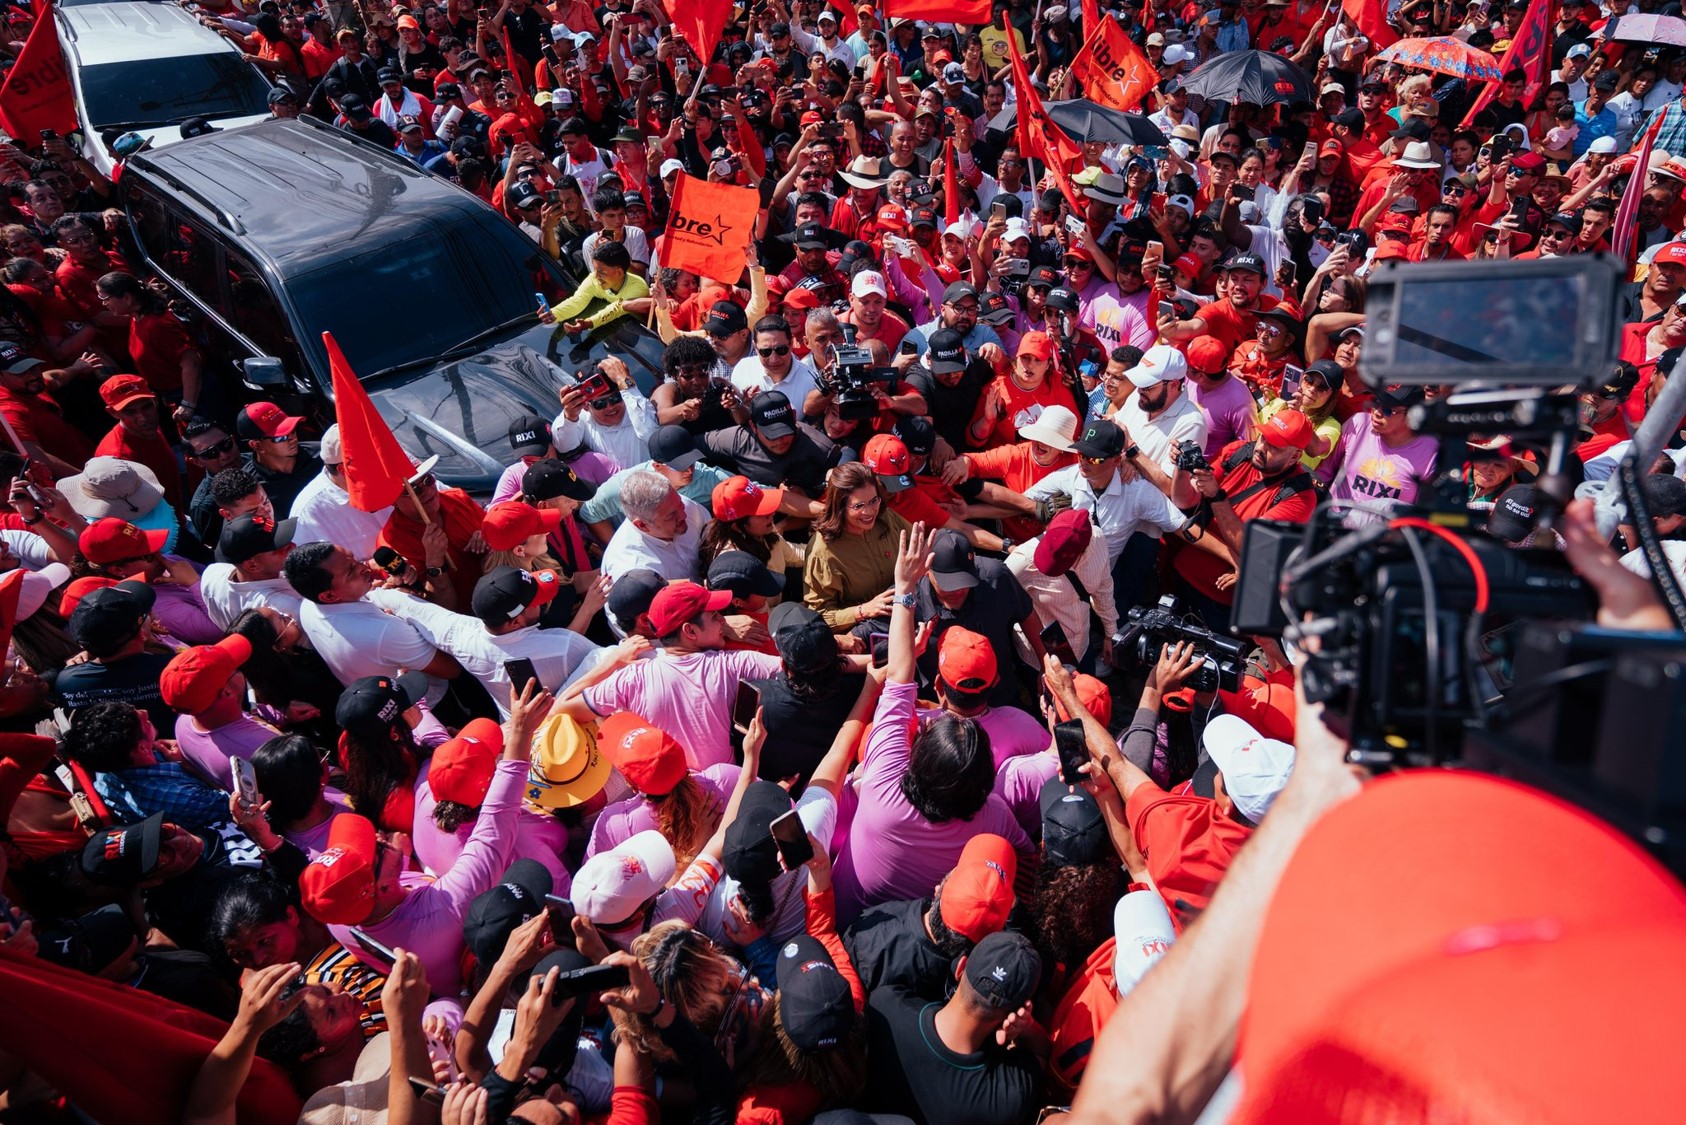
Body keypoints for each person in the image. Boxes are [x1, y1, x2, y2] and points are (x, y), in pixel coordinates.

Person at [832, 523, 1032, 923]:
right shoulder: (993, 813)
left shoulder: (883, 783)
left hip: (850, 922)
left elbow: (900, 678)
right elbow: (1027, 858)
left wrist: (903, 588)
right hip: (938, 927)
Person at [296, 682, 548, 999]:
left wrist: (397, 860)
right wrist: (521, 738)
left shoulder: (339, 918)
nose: (376, 835)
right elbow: (495, 826)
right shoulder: (446, 907)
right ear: (383, 887)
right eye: (376, 848)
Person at [862, 929, 1045, 1124]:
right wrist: (1027, 1028)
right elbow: (1044, 1055)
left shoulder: (884, 1006)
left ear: (960, 968)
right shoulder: (1006, 1096)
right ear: (1015, 1011)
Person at [1168, 410, 1321, 630]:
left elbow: (1250, 547)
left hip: (1220, 603)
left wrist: (1216, 495)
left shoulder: (1299, 497)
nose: (1261, 448)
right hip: (1181, 571)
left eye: (1275, 446)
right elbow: (1184, 501)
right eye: (1263, 438)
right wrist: (1181, 469)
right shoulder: (1238, 451)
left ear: (1295, 456)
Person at [284, 542, 462, 706]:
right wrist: (409, 615)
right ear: (329, 596)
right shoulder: (384, 631)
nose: (364, 568)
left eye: (355, 559)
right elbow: (452, 669)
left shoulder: (308, 606)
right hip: (431, 706)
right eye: (351, 571)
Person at [803, 461, 913, 635]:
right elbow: (820, 617)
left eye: (873, 500)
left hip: (907, 606)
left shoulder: (886, 516)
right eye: (859, 506)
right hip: (865, 630)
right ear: (840, 506)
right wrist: (863, 611)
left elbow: (917, 544)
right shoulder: (823, 552)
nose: (870, 512)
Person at [161, 635, 284, 785]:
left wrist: (281, 714)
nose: (241, 671)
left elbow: (244, 717)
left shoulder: (184, 722)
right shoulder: (261, 748)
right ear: (227, 692)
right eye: (235, 668)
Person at [288, 425, 392, 561]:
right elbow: (310, 574)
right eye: (371, 459)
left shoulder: (391, 473)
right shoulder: (307, 514)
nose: (381, 463)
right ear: (344, 470)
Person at [600, 470, 711, 582]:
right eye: (672, 516)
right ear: (642, 525)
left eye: (680, 504)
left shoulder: (678, 505)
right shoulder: (636, 569)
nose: (684, 515)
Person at [199, 513, 303, 631]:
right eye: (279, 547)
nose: (293, 545)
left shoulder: (212, 573)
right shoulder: (286, 608)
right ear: (252, 565)